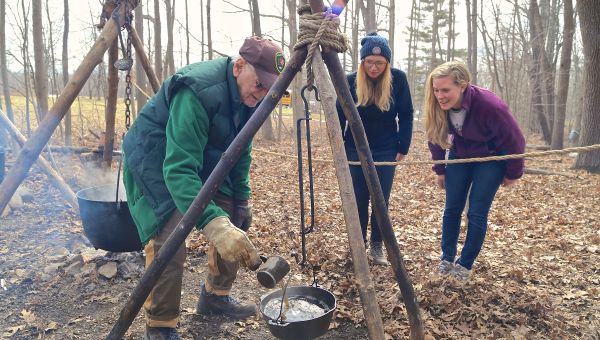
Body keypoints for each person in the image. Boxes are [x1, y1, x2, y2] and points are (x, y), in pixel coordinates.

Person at [121, 36, 286, 339]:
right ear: (239, 67)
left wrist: (242, 197)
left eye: (268, 88)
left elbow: (241, 149)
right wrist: (213, 225)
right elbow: (178, 169)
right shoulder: (197, 91)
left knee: (233, 218)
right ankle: (160, 326)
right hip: (156, 160)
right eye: (259, 84)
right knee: (169, 237)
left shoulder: (252, 98)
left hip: (200, 159)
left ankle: (215, 297)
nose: (262, 93)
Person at [424, 61, 525, 281]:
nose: (440, 95)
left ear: (462, 86)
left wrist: (512, 173)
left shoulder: (489, 105)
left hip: (490, 158)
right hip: (460, 155)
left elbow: (515, 140)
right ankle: (447, 257)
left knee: (476, 213)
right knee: (452, 208)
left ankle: (465, 265)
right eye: (436, 90)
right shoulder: (436, 104)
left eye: (445, 90)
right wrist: (440, 168)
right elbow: (434, 136)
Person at [336, 33, 414, 266]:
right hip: (354, 147)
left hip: (386, 147)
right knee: (358, 198)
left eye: (379, 63)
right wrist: (339, 145)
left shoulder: (398, 79)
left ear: (387, 64)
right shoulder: (349, 80)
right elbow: (339, 114)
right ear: (362, 62)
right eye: (369, 62)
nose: (374, 67)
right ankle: (357, 244)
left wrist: (404, 145)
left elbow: (407, 114)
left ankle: (377, 244)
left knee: (380, 199)